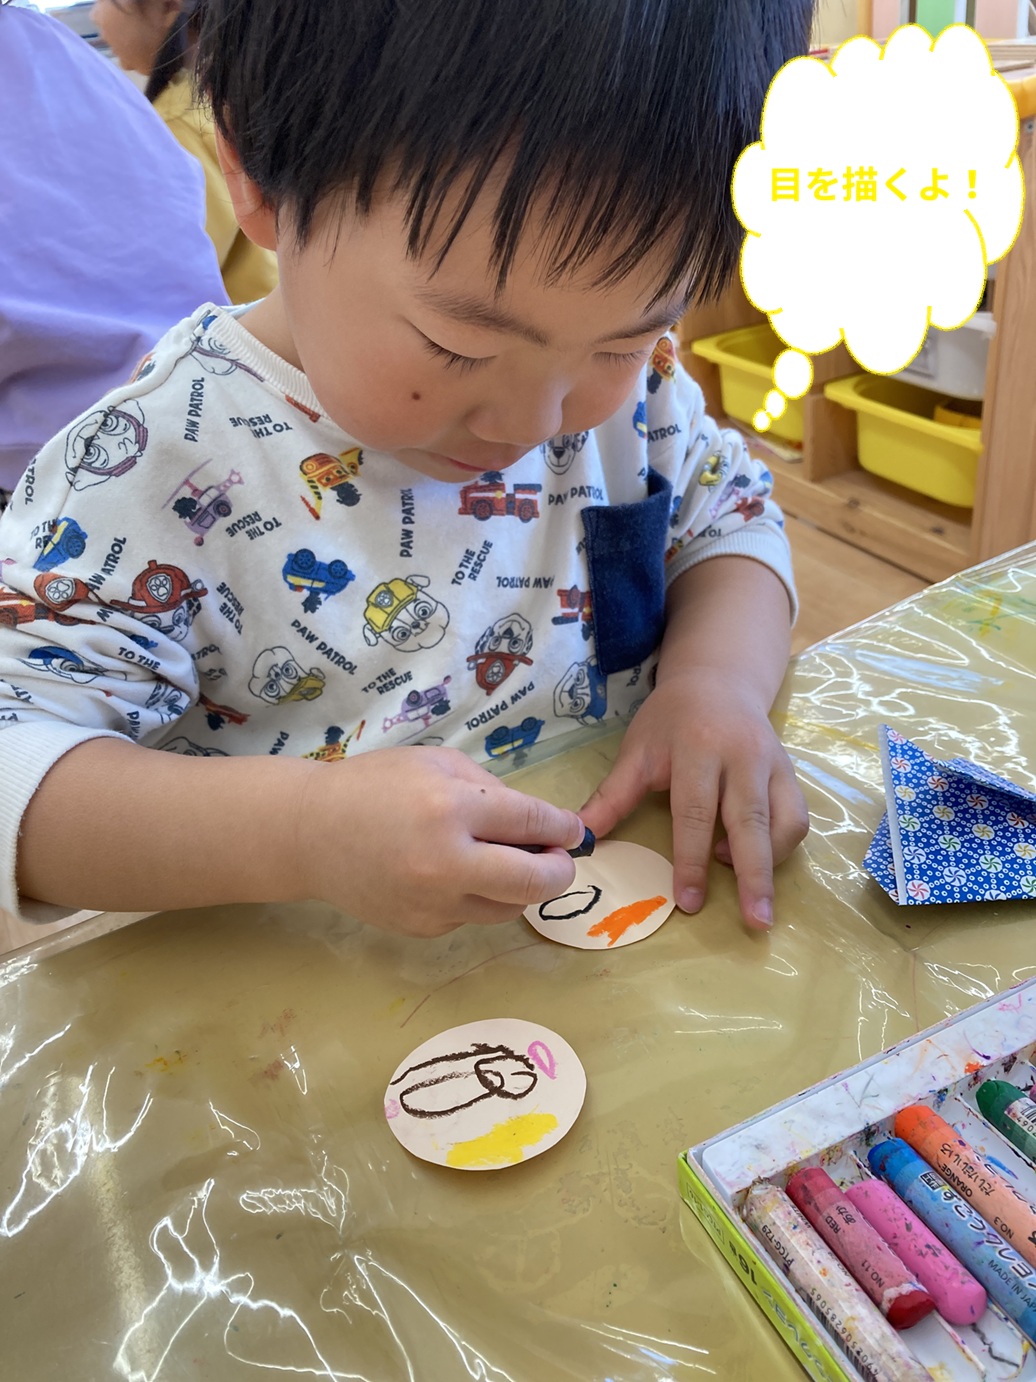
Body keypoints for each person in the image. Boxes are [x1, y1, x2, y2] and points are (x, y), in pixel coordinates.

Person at [0, 0, 813, 938]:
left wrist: (716, 683)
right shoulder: (154, 463)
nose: (537, 424)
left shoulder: (645, 394)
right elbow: (19, 764)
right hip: (298, 1001)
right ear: (258, 170)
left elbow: (730, 524)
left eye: (621, 341)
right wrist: (301, 834)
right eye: (461, 346)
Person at [0, 0, 226, 504]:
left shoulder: (180, 118)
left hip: (53, 460)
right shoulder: (51, 45)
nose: (97, 20)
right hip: (200, 384)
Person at [90, 0, 278, 305]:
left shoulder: (175, 123)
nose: (94, 15)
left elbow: (174, 270)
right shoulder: (213, 92)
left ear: (167, 7)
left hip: (235, 322)